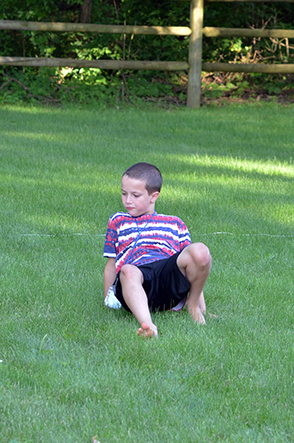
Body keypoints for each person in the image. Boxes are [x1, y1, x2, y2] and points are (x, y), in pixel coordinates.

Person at [103, 162, 212, 338]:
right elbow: (111, 265)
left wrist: (201, 306)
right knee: (128, 270)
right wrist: (107, 300)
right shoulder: (118, 221)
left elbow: (193, 268)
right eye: (124, 194)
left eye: (135, 195)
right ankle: (149, 326)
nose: (128, 200)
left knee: (200, 251)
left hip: (166, 276)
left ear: (154, 196)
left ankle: (192, 306)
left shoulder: (175, 223)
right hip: (135, 279)